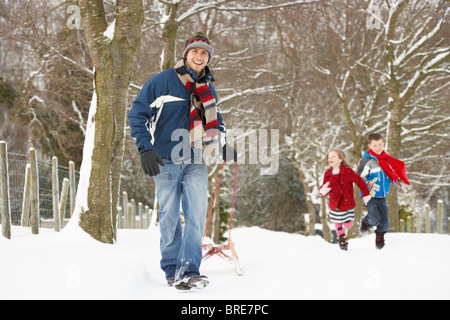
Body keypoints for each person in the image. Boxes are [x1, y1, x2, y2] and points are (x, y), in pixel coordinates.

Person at [128, 32, 236, 290]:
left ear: (208, 59)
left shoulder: (208, 89)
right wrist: (145, 148)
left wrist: (222, 144)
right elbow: (137, 114)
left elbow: (216, 120)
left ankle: (190, 270)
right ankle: (172, 268)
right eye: (195, 52)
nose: (199, 56)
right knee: (168, 216)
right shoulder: (162, 82)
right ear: (186, 54)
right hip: (165, 159)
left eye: (205, 53)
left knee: (197, 213)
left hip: (197, 158)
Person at [357, 133, 410, 249]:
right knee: (374, 217)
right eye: (375, 145)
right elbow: (359, 177)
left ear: (383, 144)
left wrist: (398, 182)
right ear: (370, 146)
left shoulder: (386, 159)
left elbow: (389, 176)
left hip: (382, 195)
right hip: (369, 195)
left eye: (380, 144)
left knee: (385, 223)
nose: (378, 147)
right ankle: (366, 222)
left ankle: (380, 239)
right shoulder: (366, 160)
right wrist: (367, 184)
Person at [320, 149, 371, 251]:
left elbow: (360, 181)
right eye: (329, 157)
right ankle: (342, 240)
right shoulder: (327, 174)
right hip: (334, 203)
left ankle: (348, 225)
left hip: (346, 203)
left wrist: (366, 194)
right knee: (336, 222)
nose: (330, 159)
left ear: (340, 159)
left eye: (333, 156)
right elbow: (323, 188)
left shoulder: (347, 171)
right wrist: (323, 190)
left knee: (348, 224)